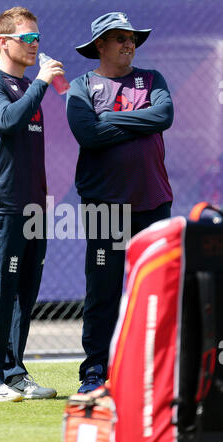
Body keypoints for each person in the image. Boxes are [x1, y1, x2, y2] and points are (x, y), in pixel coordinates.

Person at [66, 11, 174, 393]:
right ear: (100, 45)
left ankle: (155, 371)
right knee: (104, 288)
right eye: (119, 38)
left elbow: (164, 115)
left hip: (152, 202)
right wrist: (138, 119)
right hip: (103, 206)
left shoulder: (152, 79)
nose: (129, 44)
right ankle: (95, 369)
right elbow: (88, 135)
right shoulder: (81, 86)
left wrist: (111, 117)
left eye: (132, 38)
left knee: (158, 289)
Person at [0, 7, 65, 401]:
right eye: (27, 38)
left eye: (37, 38)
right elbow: (8, 120)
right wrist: (43, 82)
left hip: (33, 210)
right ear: (3, 41)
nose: (35, 45)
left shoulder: (30, 88)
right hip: (1, 206)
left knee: (23, 294)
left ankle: (12, 372)